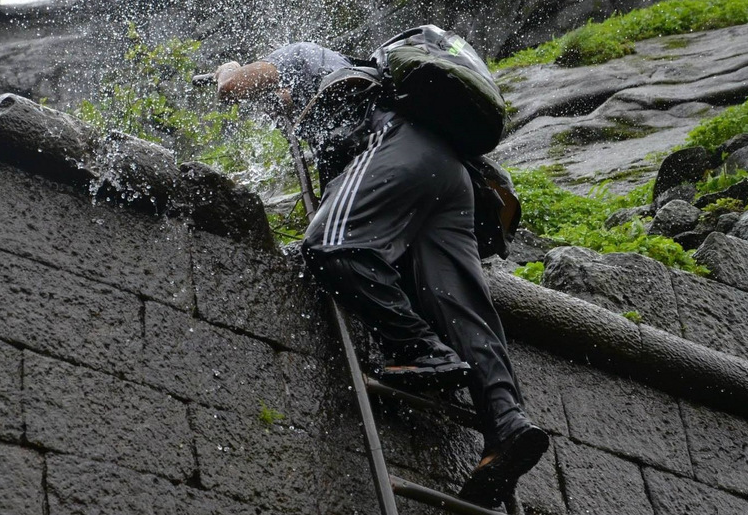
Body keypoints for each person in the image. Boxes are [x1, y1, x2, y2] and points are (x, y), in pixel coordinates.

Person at [214, 40, 549, 509]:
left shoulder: (306, 56)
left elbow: (236, 85)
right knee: (458, 305)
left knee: (330, 245)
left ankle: (419, 349)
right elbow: (288, 103)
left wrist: (227, 68)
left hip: (396, 147)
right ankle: (506, 425)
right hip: (454, 180)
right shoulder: (371, 85)